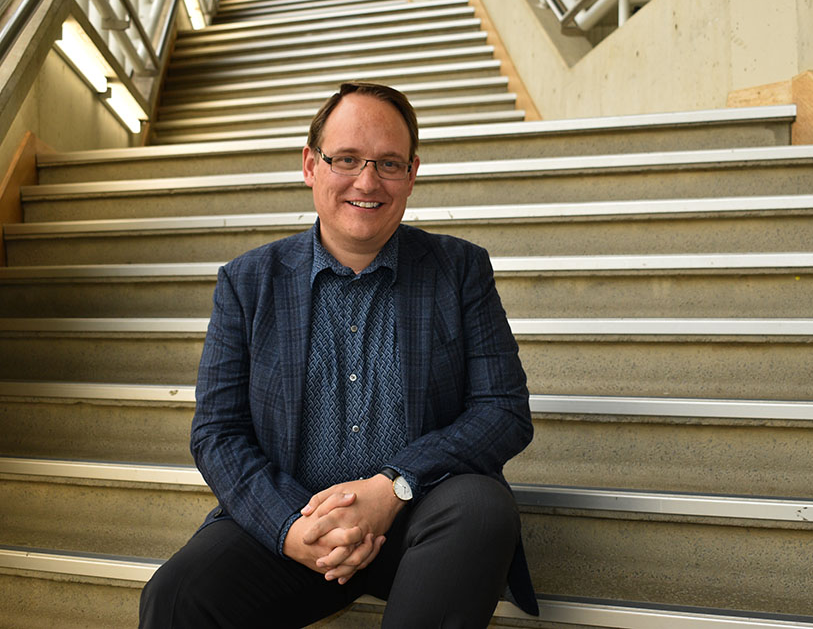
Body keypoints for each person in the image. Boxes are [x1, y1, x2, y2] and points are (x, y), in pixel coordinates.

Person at [139, 81, 538, 628]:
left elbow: (503, 411)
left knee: (482, 509)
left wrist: (393, 486)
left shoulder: (459, 270)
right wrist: (289, 527)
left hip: (420, 522)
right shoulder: (247, 283)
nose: (367, 181)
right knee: (176, 596)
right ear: (310, 165)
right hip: (298, 527)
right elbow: (217, 432)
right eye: (346, 159)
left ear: (412, 174)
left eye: (389, 164)